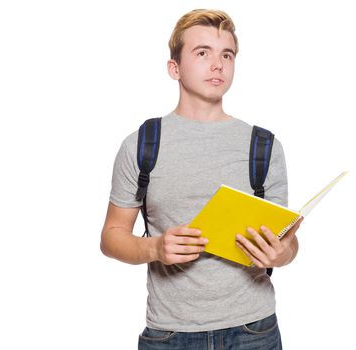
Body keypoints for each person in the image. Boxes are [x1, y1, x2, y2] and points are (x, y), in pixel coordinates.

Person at [100, 9, 302, 349]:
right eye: (202, 52)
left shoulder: (265, 146)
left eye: (227, 54)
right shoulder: (142, 144)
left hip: (255, 331)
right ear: (174, 68)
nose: (218, 64)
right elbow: (111, 236)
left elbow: (288, 243)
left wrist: (280, 254)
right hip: (169, 334)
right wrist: (154, 247)